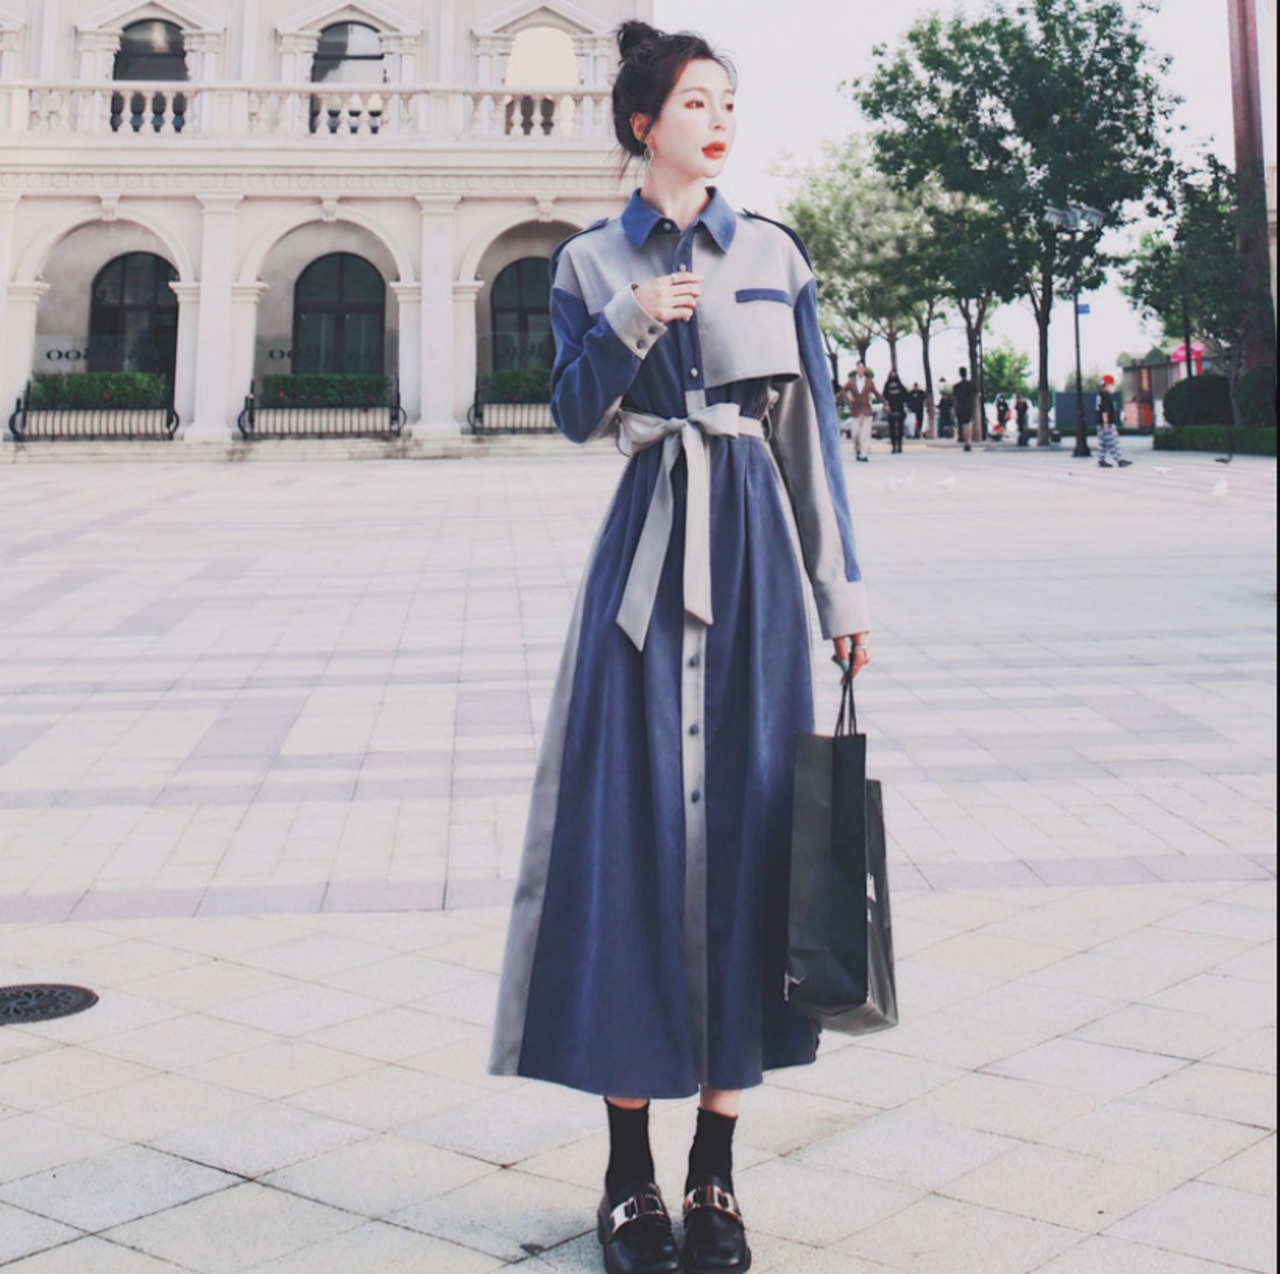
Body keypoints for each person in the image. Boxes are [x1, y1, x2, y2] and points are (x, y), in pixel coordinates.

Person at [489, 22, 872, 1274]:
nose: (718, 119)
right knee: (629, 842)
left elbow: (808, 431)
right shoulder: (586, 260)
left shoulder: (772, 252)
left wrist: (840, 594)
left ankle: (714, 1173)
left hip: (754, 559)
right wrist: (629, 322)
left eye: (728, 101)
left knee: (757, 838)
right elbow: (567, 413)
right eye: (695, 102)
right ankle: (626, 1177)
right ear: (642, 124)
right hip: (644, 563)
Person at [842, 361, 879, 461]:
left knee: (865, 434)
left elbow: (876, 393)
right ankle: (858, 450)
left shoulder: (869, 382)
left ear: (865, 370)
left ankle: (864, 454)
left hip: (867, 411)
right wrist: (848, 397)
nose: (861, 369)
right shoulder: (851, 381)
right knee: (855, 434)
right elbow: (843, 391)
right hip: (856, 411)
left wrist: (885, 403)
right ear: (857, 369)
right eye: (859, 367)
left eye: (863, 368)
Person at [1096, 373, 1131, 467]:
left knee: (1103, 443)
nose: (1112, 387)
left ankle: (1101, 460)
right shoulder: (1105, 395)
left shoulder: (1100, 395)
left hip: (1100, 423)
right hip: (1106, 423)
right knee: (1113, 441)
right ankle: (1119, 460)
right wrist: (1106, 422)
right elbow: (1104, 410)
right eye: (1111, 384)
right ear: (1106, 384)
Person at [882, 369, 909, 454]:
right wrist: (886, 405)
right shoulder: (887, 386)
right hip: (891, 410)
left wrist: (906, 404)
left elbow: (906, 395)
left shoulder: (900, 385)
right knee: (892, 429)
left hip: (899, 409)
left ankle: (899, 445)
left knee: (900, 429)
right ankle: (894, 446)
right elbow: (884, 396)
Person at [952, 367, 976, 451]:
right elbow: (974, 397)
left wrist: (955, 409)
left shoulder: (956, 386)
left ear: (960, 374)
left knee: (963, 425)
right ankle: (967, 442)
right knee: (967, 424)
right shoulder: (971, 385)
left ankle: (966, 442)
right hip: (969, 407)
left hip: (960, 408)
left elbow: (954, 399)